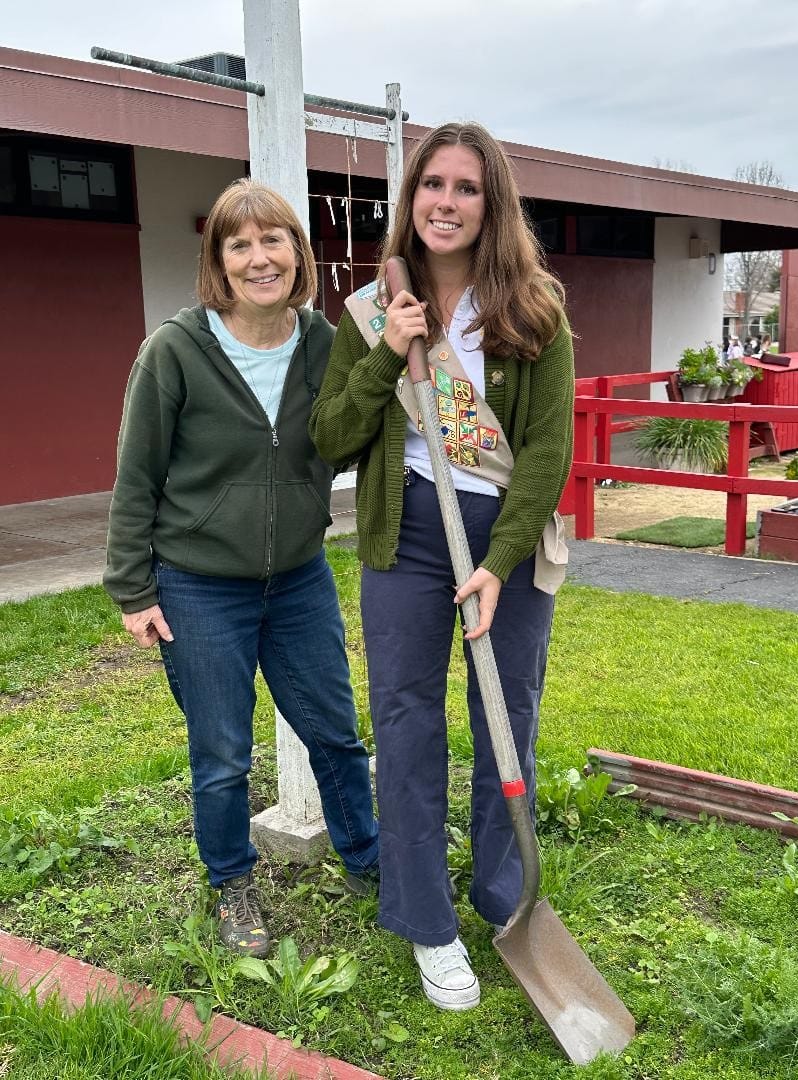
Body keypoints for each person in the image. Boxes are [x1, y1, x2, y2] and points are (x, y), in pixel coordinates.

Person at [310, 122, 574, 1011]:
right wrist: (391, 353)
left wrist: (501, 561)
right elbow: (331, 437)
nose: (446, 203)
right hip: (406, 541)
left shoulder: (535, 307)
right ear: (410, 198)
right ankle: (427, 918)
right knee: (407, 721)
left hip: (508, 540)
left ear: (491, 205)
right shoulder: (369, 312)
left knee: (508, 717)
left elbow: (544, 453)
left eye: (466, 188)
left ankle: (505, 897)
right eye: (433, 185)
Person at [104, 179, 378, 958]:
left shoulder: (328, 343)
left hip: (297, 578)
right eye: (240, 244)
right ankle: (232, 885)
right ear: (218, 263)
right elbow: (137, 474)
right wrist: (133, 586)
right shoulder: (176, 350)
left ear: (298, 251)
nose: (261, 258)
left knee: (335, 731)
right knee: (221, 753)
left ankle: (367, 860)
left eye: (274, 240)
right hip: (197, 585)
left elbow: (355, 431)